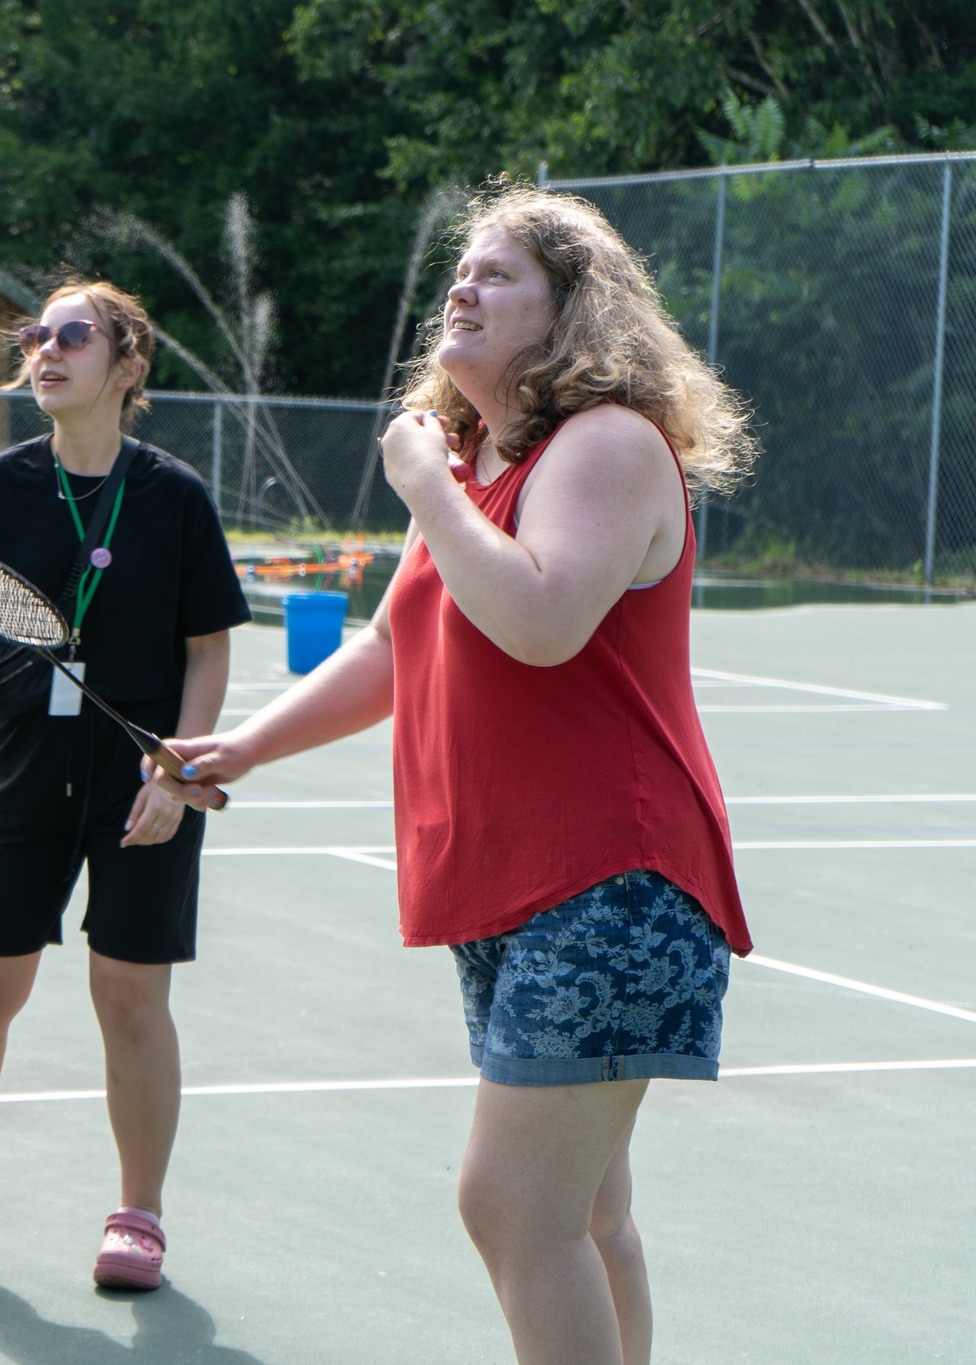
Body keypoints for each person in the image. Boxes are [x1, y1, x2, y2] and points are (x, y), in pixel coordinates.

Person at [155, 183, 757, 1363]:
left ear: (572, 314)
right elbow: (392, 644)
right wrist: (240, 748)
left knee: (510, 1208)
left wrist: (424, 485)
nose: (460, 289)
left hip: (608, 884)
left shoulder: (608, 444)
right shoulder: (480, 459)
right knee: (584, 1214)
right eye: (459, 272)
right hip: (514, 888)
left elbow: (539, 619)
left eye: (497, 275)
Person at [0, 280, 252, 1290]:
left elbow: (206, 649)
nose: (44, 349)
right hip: (21, 765)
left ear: (126, 367)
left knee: (127, 998)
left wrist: (178, 763)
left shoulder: (174, 497)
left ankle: (138, 1218)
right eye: (35, 334)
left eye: (72, 335)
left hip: (140, 776)